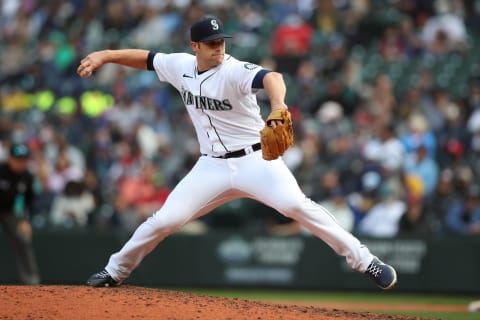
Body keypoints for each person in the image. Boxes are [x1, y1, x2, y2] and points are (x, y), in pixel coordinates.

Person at [78, 15, 397, 290]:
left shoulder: (234, 70)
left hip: (256, 161)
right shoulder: (180, 66)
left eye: (221, 41)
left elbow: (272, 77)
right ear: (195, 47)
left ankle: (367, 262)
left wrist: (279, 106)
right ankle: (115, 271)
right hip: (211, 166)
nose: (219, 47)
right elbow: (147, 59)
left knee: (296, 205)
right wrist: (106, 55)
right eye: (211, 42)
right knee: (164, 220)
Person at [0, 143, 41, 284]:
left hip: (10, 212)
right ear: (9, 159)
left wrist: (24, 220)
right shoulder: (1, 170)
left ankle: (31, 281)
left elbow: (29, 201)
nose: (21, 163)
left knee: (23, 239)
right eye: (18, 160)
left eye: (24, 160)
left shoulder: (27, 176)